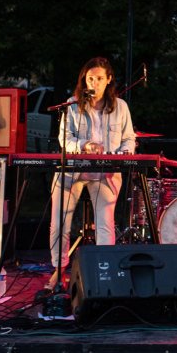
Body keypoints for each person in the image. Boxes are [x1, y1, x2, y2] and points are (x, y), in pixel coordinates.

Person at [48, 57, 135, 289]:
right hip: (73, 170)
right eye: (89, 78)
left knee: (105, 223)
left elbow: (129, 138)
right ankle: (59, 270)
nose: (93, 83)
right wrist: (84, 145)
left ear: (108, 80)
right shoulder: (72, 104)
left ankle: (105, 271)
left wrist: (122, 155)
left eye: (98, 79)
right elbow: (64, 139)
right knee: (59, 222)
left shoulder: (121, 107)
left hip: (105, 172)